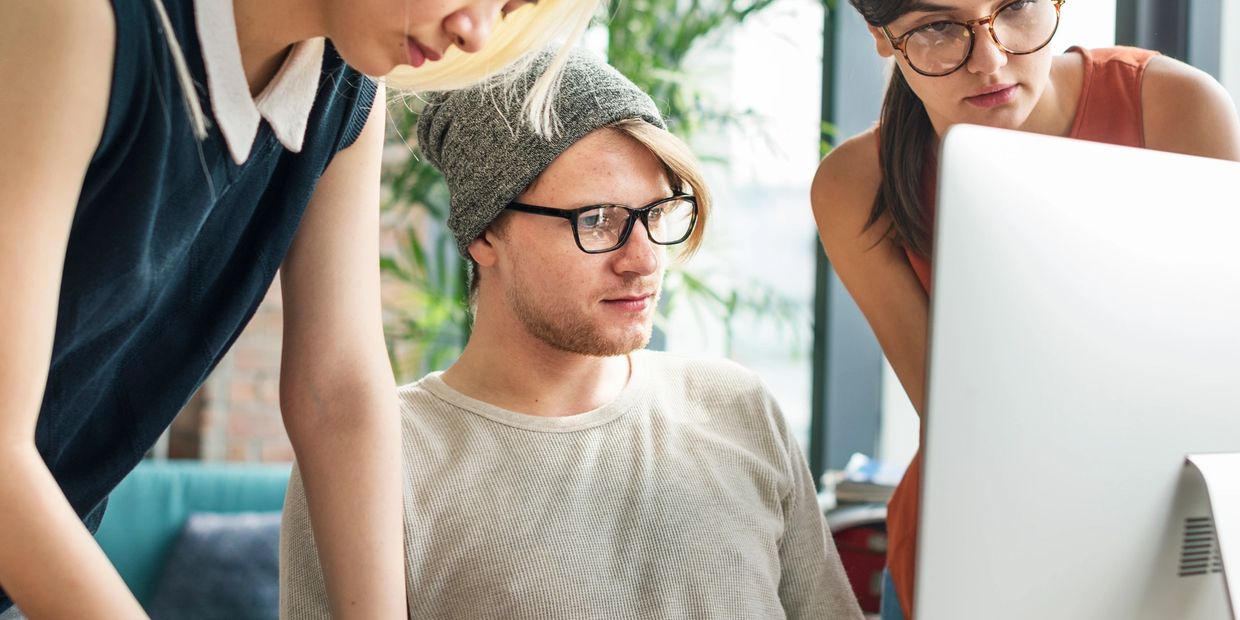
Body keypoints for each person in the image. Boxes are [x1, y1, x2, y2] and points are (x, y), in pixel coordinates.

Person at [0, 0, 599, 616]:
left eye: (507, 7)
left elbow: (337, 392)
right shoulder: (77, 20)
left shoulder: (342, 97)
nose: (477, 33)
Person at [280, 48, 866, 619]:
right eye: (599, 220)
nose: (643, 259)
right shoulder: (371, 455)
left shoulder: (739, 409)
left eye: (656, 214)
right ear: (485, 233)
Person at [809, 1, 1240, 619]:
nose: (990, 59)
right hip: (976, 551)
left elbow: (1221, 386)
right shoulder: (856, 185)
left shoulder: (1174, 106)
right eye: (936, 27)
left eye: (1014, 7)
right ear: (882, 38)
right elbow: (960, 424)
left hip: (1163, 542)